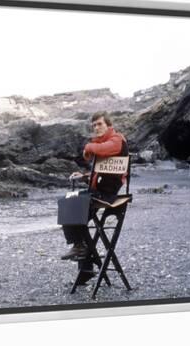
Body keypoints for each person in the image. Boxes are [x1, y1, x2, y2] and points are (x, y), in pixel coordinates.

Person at [60, 111, 129, 280]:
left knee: (73, 206)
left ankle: (81, 250)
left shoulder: (117, 140)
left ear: (108, 125)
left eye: (99, 124)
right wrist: (84, 176)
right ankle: (85, 264)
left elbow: (104, 149)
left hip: (108, 194)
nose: (96, 128)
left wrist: (88, 147)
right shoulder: (102, 143)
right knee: (68, 203)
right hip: (98, 192)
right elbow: (100, 173)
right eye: (94, 125)